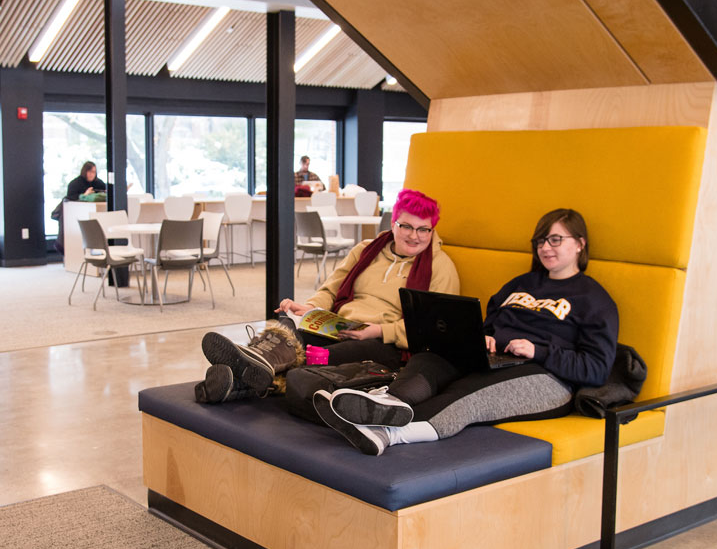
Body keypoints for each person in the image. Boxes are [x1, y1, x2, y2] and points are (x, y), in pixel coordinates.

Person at [314, 208, 619, 455]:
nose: (545, 247)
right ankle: (386, 403)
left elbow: (595, 369)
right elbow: (489, 324)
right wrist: (481, 337)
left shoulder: (594, 299)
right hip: (496, 358)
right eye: (540, 241)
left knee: (467, 396)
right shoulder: (520, 284)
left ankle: (386, 434)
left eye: (555, 240)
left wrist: (538, 350)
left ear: (579, 243)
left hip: (546, 377)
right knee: (431, 359)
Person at [194, 188, 461, 403]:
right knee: (287, 328)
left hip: (388, 343)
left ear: (432, 230)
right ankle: (253, 367)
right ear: (393, 223)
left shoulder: (440, 266)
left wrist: (379, 330)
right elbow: (332, 288)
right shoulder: (367, 249)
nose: (414, 236)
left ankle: (242, 375)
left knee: (309, 354)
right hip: (340, 326)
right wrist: (309, 306)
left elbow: (435, 328)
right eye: (406, 226)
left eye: (423, 229)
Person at [53, 161, 107, 254]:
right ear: (84, 172)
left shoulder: (99, 184)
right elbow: (70, 198)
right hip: (76, 214)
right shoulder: (75, 184)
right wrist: (85, 195)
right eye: (90, 172)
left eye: (94, 172)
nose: (92, 174)